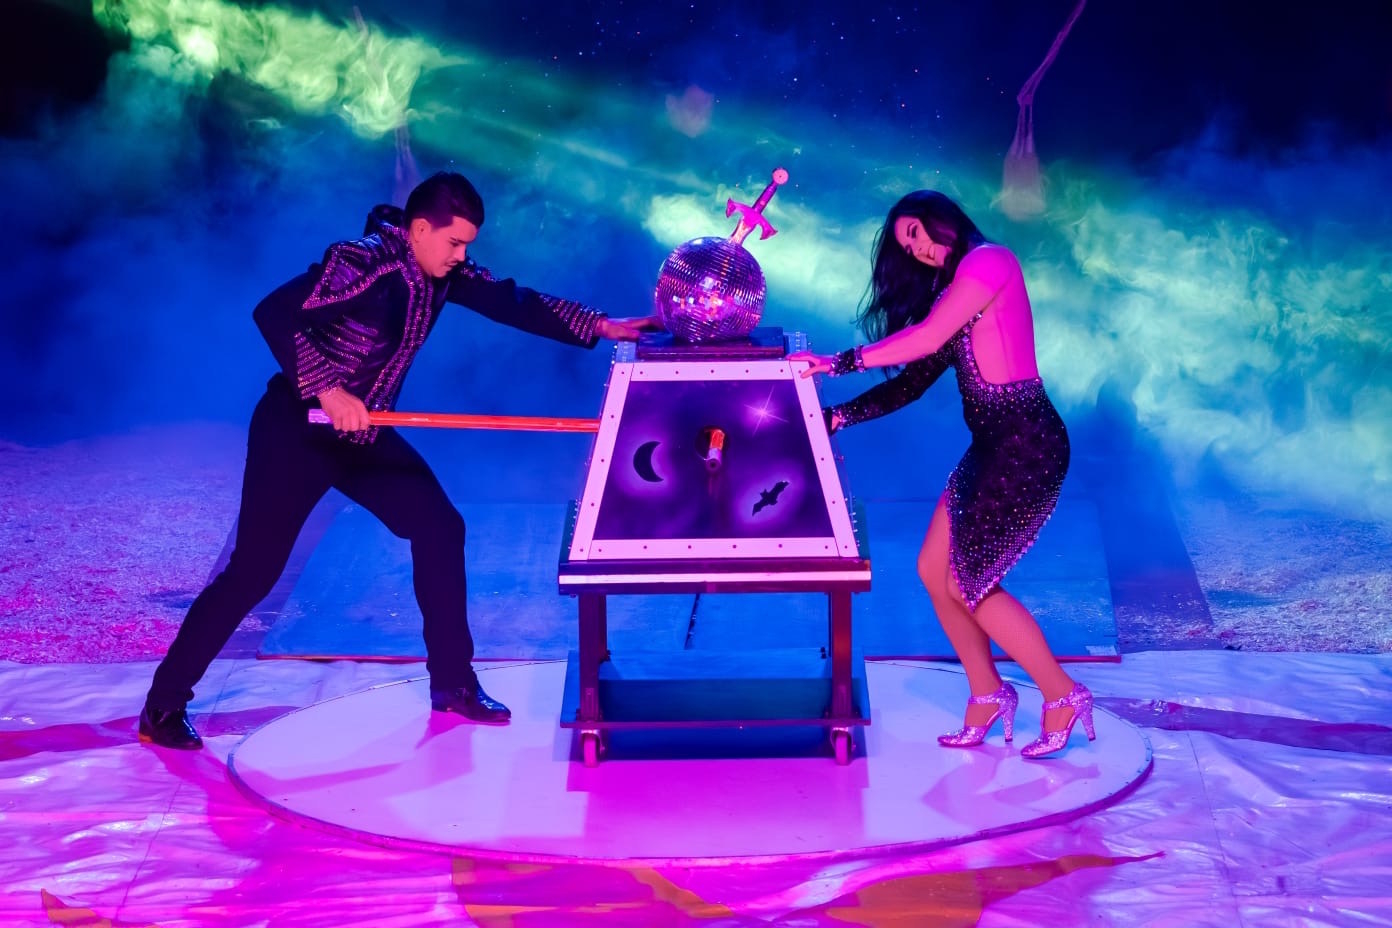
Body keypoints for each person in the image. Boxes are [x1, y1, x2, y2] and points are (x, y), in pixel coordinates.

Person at [139, 170, 659, 749]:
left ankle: (453, 684)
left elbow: (511, 301)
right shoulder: (363, 261)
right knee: (253, 572)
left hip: (363, 436)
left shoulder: (443, 272)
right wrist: (327, 390)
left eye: (467, 245)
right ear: (418, 229)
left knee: (439, 527)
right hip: (297, 430)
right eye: (454, 242)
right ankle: (163, 706)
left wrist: (601, 326)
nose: (461, 256)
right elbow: (273, 312)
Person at [790, 189, 1092, 758]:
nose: (919, 250)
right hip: (993, 446)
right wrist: (838, 417)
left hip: (1028, 444)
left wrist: (837, 363)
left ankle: (1063, 694)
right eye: (908, 248)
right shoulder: (953, 293)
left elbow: (926, 338)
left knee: (969, 582)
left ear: (941, 219)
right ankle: (987, 692)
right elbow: (911, 383)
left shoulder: (990, 262)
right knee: (934, 570)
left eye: (917, 234)